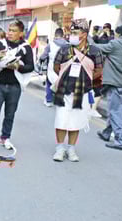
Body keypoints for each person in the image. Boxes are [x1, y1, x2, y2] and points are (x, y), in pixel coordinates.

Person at [50, 19, 104, 162]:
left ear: (84, 34)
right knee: (61, 120)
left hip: (83, 91)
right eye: (71, 32)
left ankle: (71, 149)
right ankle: (60, 149)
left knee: (76, 122)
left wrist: (85, 78)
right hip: (64, 90)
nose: (71, 35)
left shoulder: (94, 51)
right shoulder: (64, 49)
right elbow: (57, 67)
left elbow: (99, 70)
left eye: (75, 33)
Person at [0, 20, 34, 151]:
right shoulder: (1, 44)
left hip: (14, 86)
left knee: (10, 114)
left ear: (21, 33)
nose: (10, 33)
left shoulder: (26, 47)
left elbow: (31, 67)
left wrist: (18, 66)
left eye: (13, 31)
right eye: (9, 30)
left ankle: (5, 137)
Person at [91, 24, 122, 151]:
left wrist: (89, 38)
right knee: (116, 109)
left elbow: (96, 47)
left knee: (115, 112)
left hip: (115, 82)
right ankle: (106, 133)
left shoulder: (116, 44)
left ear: (119, 34)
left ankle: (120, 141)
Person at [38, 28, 68, 107]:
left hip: (52, 66)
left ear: (55, 35)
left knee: (49, 83)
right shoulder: (68, 45)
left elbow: (43, 56)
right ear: (63, 35)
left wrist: (40, 60)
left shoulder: (50, 44)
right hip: (64, 67)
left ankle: (49, 100)